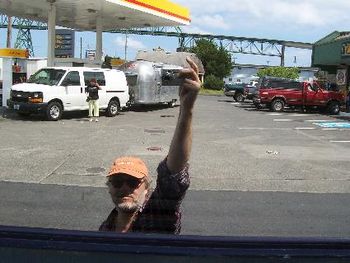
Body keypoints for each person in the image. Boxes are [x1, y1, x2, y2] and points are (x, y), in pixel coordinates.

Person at [99, 57, 201, 234]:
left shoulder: (157, 216)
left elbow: (173, 175)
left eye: (133, 182)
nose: (124, 187)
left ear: (147, 189)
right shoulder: (104, 229)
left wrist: (187, 109)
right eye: (116, 182)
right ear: (109, 188)